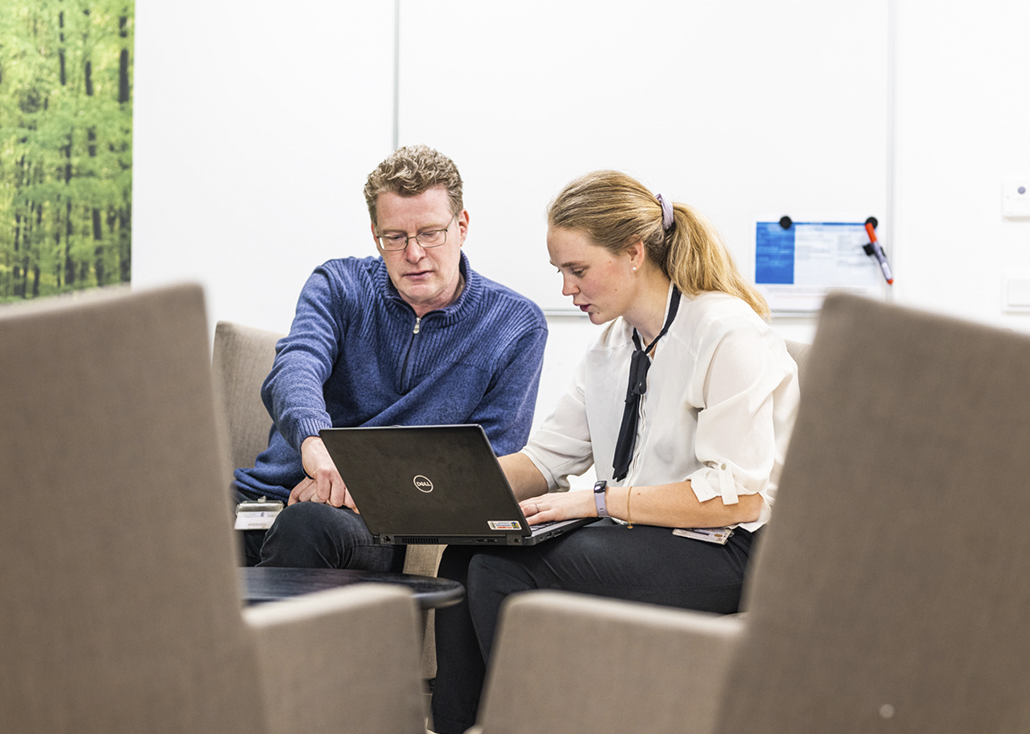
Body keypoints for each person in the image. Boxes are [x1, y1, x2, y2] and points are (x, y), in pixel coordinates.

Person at [430, 170, 800, 734]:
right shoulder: (611, 346)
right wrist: (437, 489)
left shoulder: (726, 333)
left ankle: (516, 721)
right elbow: (546, 461)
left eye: (577, 270)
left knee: (500, 571)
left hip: (730, 553)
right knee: (465, 551)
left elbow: (738, 498)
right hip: (641, 538)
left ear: (633, 253)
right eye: (560, 272)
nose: (565, 289)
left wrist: (596, 502)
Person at [232, 145, 548, 570]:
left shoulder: (514, 325)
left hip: (378, 520)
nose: (413, 254)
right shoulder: (339, 284)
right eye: (394, 238)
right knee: (155, 517)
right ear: (375, 235)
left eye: (430, 233)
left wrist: (361, 484)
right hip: (266, 499)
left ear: (462, 226)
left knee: (308, 524)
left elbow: (485, 462)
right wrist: (317, 447)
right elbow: (295, 366)